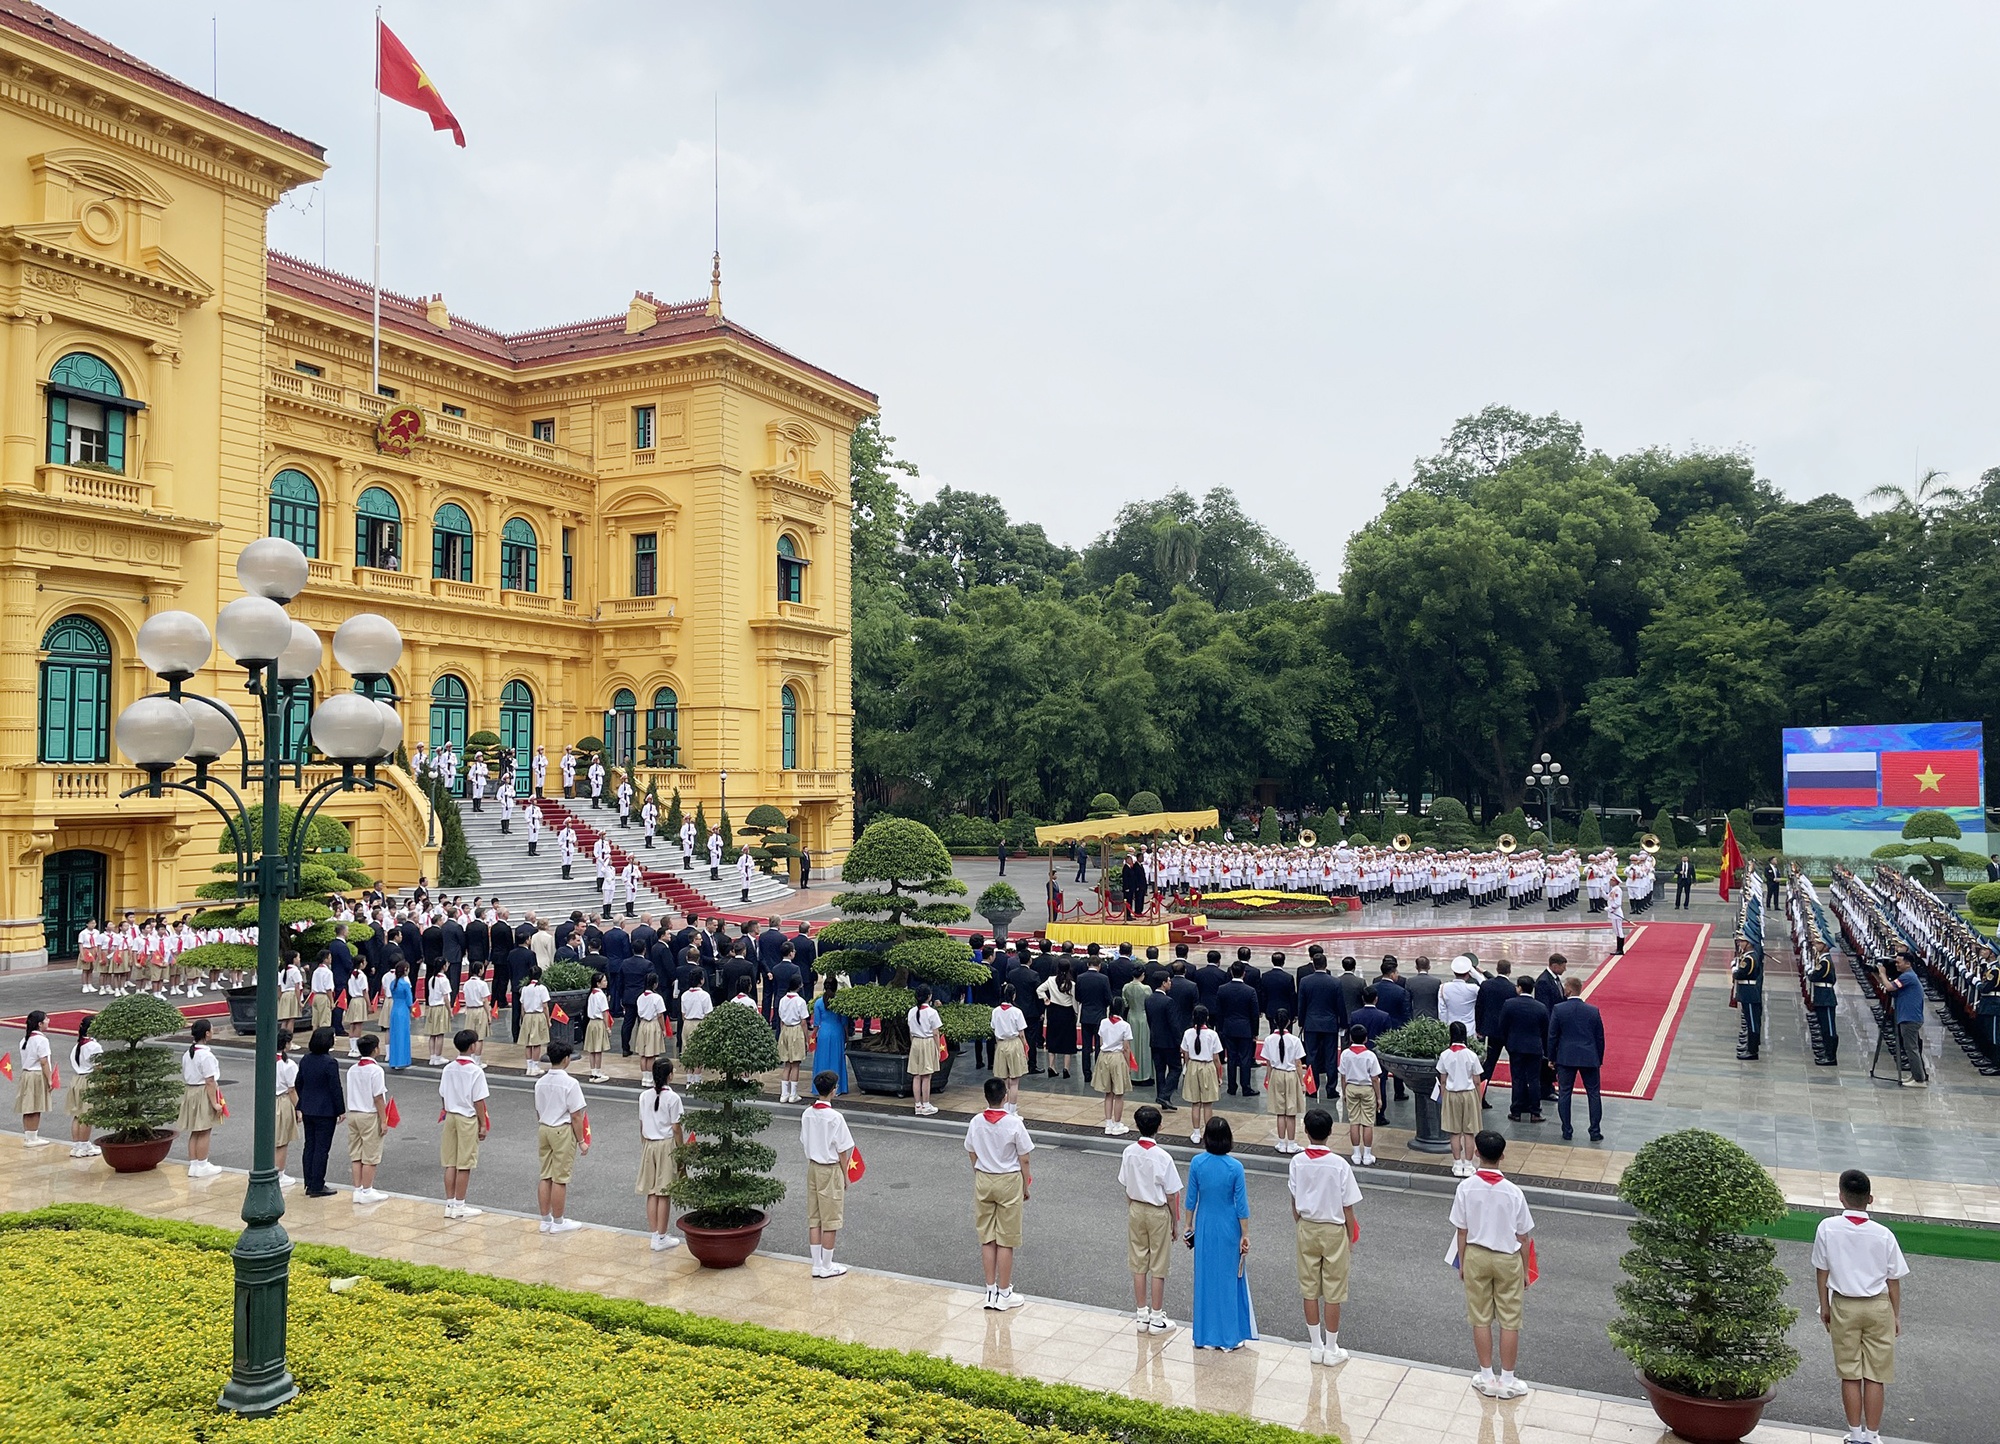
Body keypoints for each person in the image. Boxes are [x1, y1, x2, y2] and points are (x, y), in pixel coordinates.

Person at [1812, 1168, 1909, 1444]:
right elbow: (1893, 1280)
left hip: (1844, 1304)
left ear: (1841, 1197)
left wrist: (1825, 1307)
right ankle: (1873, 1436)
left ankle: (1855, 1434)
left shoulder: (1827, 1228)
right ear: (1871, 1199)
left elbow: (1822, 1271)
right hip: (1878, 1306)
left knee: (1850, 1373)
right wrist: (1895, 1314)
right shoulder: (1884, 1234)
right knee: (1875, 1375)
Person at [1451, 1130, 1535, 1399]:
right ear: (1502, 1156)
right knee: (1510, 1320)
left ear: (1476, 1153)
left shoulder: (1465, 1188)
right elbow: (1523, 1236)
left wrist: (1463, 1263)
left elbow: (1461, 1231)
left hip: (1476, 1254)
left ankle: (1486, 1376)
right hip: (1508, 1258)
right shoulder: (1514, 1192)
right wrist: (1525, 1268)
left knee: (1480, 1316)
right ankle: (1508, 1380)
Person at [1290, 1107, 1362, 1365]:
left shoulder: (1297, 1161)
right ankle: (1331, 1348)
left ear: (1305, 1131)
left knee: (1309, 1287)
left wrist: (1300, 1221)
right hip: (1333, 1228)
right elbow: (1348, 1205)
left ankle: (1315, 1345)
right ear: (1331, 1132)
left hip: (1307, 1225)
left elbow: (1294, 1198)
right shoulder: (1339, 1164)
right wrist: (1351, 1235)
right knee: (1334, 1289)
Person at [1184, 1116, 1255, 1350]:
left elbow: (1191, 1198)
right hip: (1228, 1226)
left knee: (1205, 1278)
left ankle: (1204, 1336)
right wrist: (1245, 1233)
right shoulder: (1235, 1167)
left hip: (1204, 1223)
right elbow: (1241, 1204)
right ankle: (1229, 1337)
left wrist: (1188, 1226)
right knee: (1228, 1279)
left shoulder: (1197, 1163)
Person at [966, 1075, 1034, 1310]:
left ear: (985, 1096)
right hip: (1008, 1180)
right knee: (1006, 1238)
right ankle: (1005, 1293)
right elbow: (1024, 1158)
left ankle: (990, 1289)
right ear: (1005, 1097)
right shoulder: (1014, 1123)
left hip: (984, 1178)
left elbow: (971, 1151)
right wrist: (1025, 1185)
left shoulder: (976, 1121)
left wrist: (979, 1170)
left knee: (987, 1236)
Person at [1117, 1104, 1182, 1334]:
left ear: (1136, 1125)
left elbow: (1125, 1183)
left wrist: (1132, 1207)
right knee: (1158, 1264)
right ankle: (1156, 1316)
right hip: (1157, 1211)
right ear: (1160, 1127)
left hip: (1136, 1208)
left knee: (1138, 1262)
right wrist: (1175, 1222)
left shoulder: (1128, 1152)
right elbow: (1172, 1194)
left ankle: (1141, 1313)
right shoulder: (1163, 1157)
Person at [801, 1068, 856, 1277]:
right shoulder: (835, 1117)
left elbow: (804, 1141)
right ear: (833, 1090)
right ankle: (827, 1265)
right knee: (831, 1218)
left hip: (813, 1166)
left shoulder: (807, 1114)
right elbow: (843, 1151)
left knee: (814, 1217)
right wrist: (846, 1176)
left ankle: (816, 1264)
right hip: (830, 1168)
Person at [535, 1041, 591, 1233]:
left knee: (546, 1175)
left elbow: (538, 1109)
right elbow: (576, 1115)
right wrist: (581, 1141)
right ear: (566, 1059)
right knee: (560, 1177)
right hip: (561, 1129)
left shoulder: (540, 1082)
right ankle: (558, 1222)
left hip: (544, 1127)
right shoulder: (570, 1083)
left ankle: (545, 1219)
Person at [438, 1030, 491, 1220]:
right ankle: (460, 1204)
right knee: (465, 1163)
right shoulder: (475, 1070)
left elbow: (442, 1093)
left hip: (450, 1116)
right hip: (467, 1118)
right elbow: (478, 1101)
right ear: (472, 1046)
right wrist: (482, 1124)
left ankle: (450, 1203)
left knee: (450, 1162)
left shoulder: (449, 1068)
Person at [1548, 976, 1605, 1141]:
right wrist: (1598, 1058)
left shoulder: (1559, 1009)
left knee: (1565, 1093)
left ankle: (1567, 1130)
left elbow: (1553, 1036)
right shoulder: (1593, 1010)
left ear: (1569, 990)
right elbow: (1600, 1038)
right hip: (1589, 1057)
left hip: (1566, 1057)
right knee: (1593, 1094)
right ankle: (1595, 1131)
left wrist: (1551, 1057)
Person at [638, 1058, 684, 1251]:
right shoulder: (673, 1098)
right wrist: (681, 1151)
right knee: (664, 1191)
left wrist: (644, 1143)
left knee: (652, 1190)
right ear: (670, 1075)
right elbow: (676, 1128)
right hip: (666, 1145)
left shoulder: (644, 1096)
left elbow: (641, 1123)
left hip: (649, 1143)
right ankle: (662, 1236)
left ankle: (654, 1235)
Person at [296, 1027, 343, 1197]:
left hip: (308, 1108)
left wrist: (301, 1102)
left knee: (310, 1145)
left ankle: (309, 1181)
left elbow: (298, 1082)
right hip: (325, 1110)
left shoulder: (306, 1059)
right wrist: (340, 1110)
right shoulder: (330, 1062)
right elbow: (335, 1088)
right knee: (322, 1149)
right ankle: (317, 1184)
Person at [344, 1033, 390, 1203]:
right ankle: (367, 1189)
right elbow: (378, 1097)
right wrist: (384, 1120)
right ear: (375, 1049)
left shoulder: (353, 1069)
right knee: (371, 1154)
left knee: (356, 1153)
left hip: (354, 1113)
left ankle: (358, 1189)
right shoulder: (376, 1070)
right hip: (369, 1115)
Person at [177, 1018, 224, 1177]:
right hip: (202, 1092)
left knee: (195, 1130)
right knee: (204, 1129)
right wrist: (215, 1103)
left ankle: (194, 1164)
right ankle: (202, 1164)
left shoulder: (188, 1054)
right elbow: (210, 1081)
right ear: (206, 1033)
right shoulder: (205, 1055)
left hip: (190, 1091)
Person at [1499, 976, 1549, 1123]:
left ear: (1519, 987)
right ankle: (1535, 1112)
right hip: (1534, 1047)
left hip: (1515, 1046)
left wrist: (1508, 1042)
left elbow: (1503, 1026)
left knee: (1517, 1079)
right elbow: (1545, 1029)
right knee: (1534, 1080)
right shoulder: (1540, 1007)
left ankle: (1516, 1111)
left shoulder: (1509, 1004)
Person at [1437, 1022, 1485, 1175]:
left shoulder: (1445, 1055)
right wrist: (1478, 1100)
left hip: (1451, 1094)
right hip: (1469, 1093)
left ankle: (1457, 1164)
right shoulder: (1471, 1055)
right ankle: (1469, 1165)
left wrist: (1444, 1097)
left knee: (1454, 1132)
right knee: (1469, 1132)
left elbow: (1443, 1080)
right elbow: (1477, 1080)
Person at [1336, 1024, 1382, 1166]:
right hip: (1367, 1089)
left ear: (1350, 1037)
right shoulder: (1370, 1055)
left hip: (1351, 1087)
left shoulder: (1345, 1054)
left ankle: (1356, 1154)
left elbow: (1343, 1076)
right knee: (1368, 1122)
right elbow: (1375, 1078)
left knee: (1354, 1121)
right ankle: (1367, 1155)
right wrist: (1379, 1097)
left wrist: (1343, 1092)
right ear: (1366, 1039)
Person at [1180, 1005, 1223, 1145]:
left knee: (1195, 1103)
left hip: (1193, 1066)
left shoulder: (1187, 1033)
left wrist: (1187, 1068)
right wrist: (1219, 1075)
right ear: (1207, 1018)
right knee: (1208, 1103)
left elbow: (1185, 1054)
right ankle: (1208, 1133)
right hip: (1207, 1067)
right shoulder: (1212, 1034)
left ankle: (1196, 1132)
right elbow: (1216, 1058)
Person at [1264, 1011, 1306, 1153]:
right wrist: (1302, 1082)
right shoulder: (1294, 1040)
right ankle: (1292, 1143)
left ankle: (1281, 1143)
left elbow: (1268, 1063)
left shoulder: (1269, 1039)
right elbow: (1298, 1063)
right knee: (1291, 1112)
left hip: (1276, 1074)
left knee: (1280, 1112)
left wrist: (1269, 1080)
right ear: (1289, 1022)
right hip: (1291, 1075)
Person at [13, 1010, 55, 1148]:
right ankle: (32, 1138)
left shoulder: (25, 1039)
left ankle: (29, 1136)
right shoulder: (41, 1040)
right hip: (36, 1075)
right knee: (35, 1106)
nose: (48, 1021)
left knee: (28, 1106)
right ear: (40, 1024)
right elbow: (44, 1062)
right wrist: (49, 1079)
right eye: (46, 1019)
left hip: (26, 1074)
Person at [66, 1015, 102, 1158]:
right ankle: (84, 1145)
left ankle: (77, 1145)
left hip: (77, 1079)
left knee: (78, 1114)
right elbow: (99, 1066)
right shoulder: (94, 1046)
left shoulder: (77, 1046)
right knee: (87, 1115)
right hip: (89, 1079)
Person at [990, 984, 1029, 1111]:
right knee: (1014, 1081)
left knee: (1003, 1080)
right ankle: (1013, 1110)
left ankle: (1004, 1108)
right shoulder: (1017, 1012)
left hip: (1001, 1044)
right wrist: (1025, 1047)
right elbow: (1022, 1034)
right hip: (1014, 1043)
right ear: (1014, 995)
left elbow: (994, 1029)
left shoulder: (995, 1011)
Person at [1890, 954, 1927, 1087]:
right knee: (1910, 1047)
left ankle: (1919, 1079)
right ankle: (1915, 1075)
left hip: (1910, 1018)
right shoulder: (1907, 976)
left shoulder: (1908, 976)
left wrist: (1881, 973)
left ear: (1908, 964)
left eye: (1899, 962)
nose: (1896, 965)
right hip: (1907, 1017)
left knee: (1911, 1048)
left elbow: (1890, 987)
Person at [1096, 1008, 1134, 1135]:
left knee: (1108, 1093)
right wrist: (1128, 1065)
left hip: (1104, 1056)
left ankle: (1108, 1124)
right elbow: (1126, 1048)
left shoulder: (1103, 1022)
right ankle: (1117, 1124)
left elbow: (1101, 1041)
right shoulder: (1125, 1025)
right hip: (1117, 1057)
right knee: (1119, 1093)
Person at [1038, 965, 1078, 1078]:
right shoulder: (1071, 984)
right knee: (1068, 1040)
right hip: (1067, 1012)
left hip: (1053, 1011)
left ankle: (1051, 1066)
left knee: (1052, 1037)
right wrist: (1076, 1012)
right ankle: (1066, 1068)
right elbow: (1074, 1000)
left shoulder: (1051, 980)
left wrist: (1045, 998)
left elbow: (1039, 989)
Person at [272, 1027, 300, 1187]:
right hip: (282, 1101)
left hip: (268, 1101)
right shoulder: (288, 1064)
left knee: (272, 1139)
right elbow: (292, 1089)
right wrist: (299, 1108)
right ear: (286, 1044)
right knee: (282, 1141)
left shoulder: (265, 1059)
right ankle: (279, 1174)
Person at [811, 976, 848, 1095]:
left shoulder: (818, 1002)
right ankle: (838, 1087)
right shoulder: (840, 1001)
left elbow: (816, 1023)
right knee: (836, 1060)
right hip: (837, 1032)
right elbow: (844, 1022)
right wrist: (847, 1036)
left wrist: (812, 1035)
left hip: (823, 1033)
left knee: (822, 1059)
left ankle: (820, 1088)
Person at [776, 978, 811, 1103]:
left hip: (785, 1029)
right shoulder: (800, 1001)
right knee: (795, 1064)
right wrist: (807, 1040)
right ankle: (793, 1094)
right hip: (796, 1030)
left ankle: (784, 1094)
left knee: (786, 1064)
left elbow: (780, 1019)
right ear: (799, 986)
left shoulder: (782, 1000)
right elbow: (803, 1022)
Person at [1732, 939, 1765, 1062]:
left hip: (1750, 994)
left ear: (1749, 943)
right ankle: (1750, 1046)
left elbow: (1740, 974)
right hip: (1748, 993)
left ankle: (1752, 1050)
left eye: (1742, 941)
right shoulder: (1749, 956)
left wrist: (1734, 969)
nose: (1740, 943)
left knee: (1752, 1023)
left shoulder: (1749, 959)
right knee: (1750, 1021)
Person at [386, 961, 414, 1070]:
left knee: (395, 1035)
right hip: (403, 1010)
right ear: (405, 969)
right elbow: (409, 1000)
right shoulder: (405, 984)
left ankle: (394, 1060)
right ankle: (402, 1060)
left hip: (395, 1009)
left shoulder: (393, 983)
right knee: (403, 1035)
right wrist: (412, 1011)